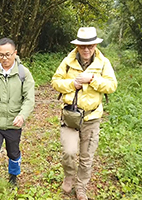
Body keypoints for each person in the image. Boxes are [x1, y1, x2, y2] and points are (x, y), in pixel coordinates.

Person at [51, 27, 117, 200]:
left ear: (95, 45)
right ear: (77, 46)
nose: (86, 49)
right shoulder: (67, 61)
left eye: (90, 46)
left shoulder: (103, 63)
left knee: (87, 157)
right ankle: (69, 176)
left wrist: (93, 80)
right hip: (70, 116)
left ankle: (81, 188)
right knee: (69, 152)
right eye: (83, 46)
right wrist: (72, 84)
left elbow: (112, 86)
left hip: (92, 117)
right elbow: (55, 82)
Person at [0, 37, 35, 200]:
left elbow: (29, 99)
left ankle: (13, 176)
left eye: (8, 54)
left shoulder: (24, 73)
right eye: (1, 55)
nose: (4, 58)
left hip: (13, 123)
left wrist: (22, 116)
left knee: (13, 153)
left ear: (15, 53)